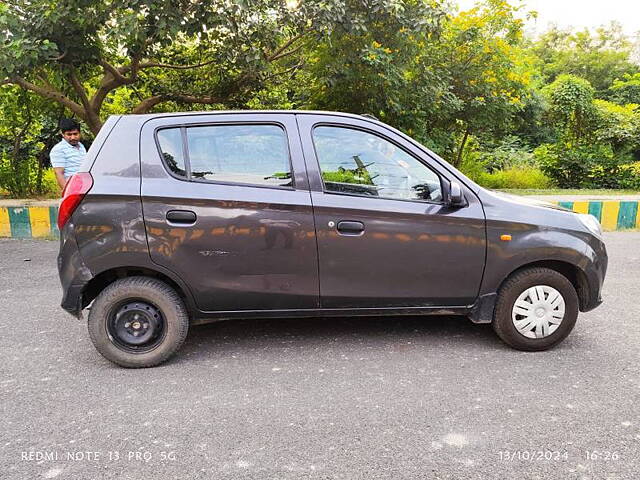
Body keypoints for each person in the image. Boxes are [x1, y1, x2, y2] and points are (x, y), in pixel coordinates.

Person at [50, 118, 87, 191]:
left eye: (75, 134)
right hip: (72, 191)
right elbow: (59, 173)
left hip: (84, 189)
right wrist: (68, 193)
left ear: (80, 133)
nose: (73, 137)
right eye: (69, 134)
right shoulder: (58, 149)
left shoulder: (81, 146)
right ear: (63, 134)